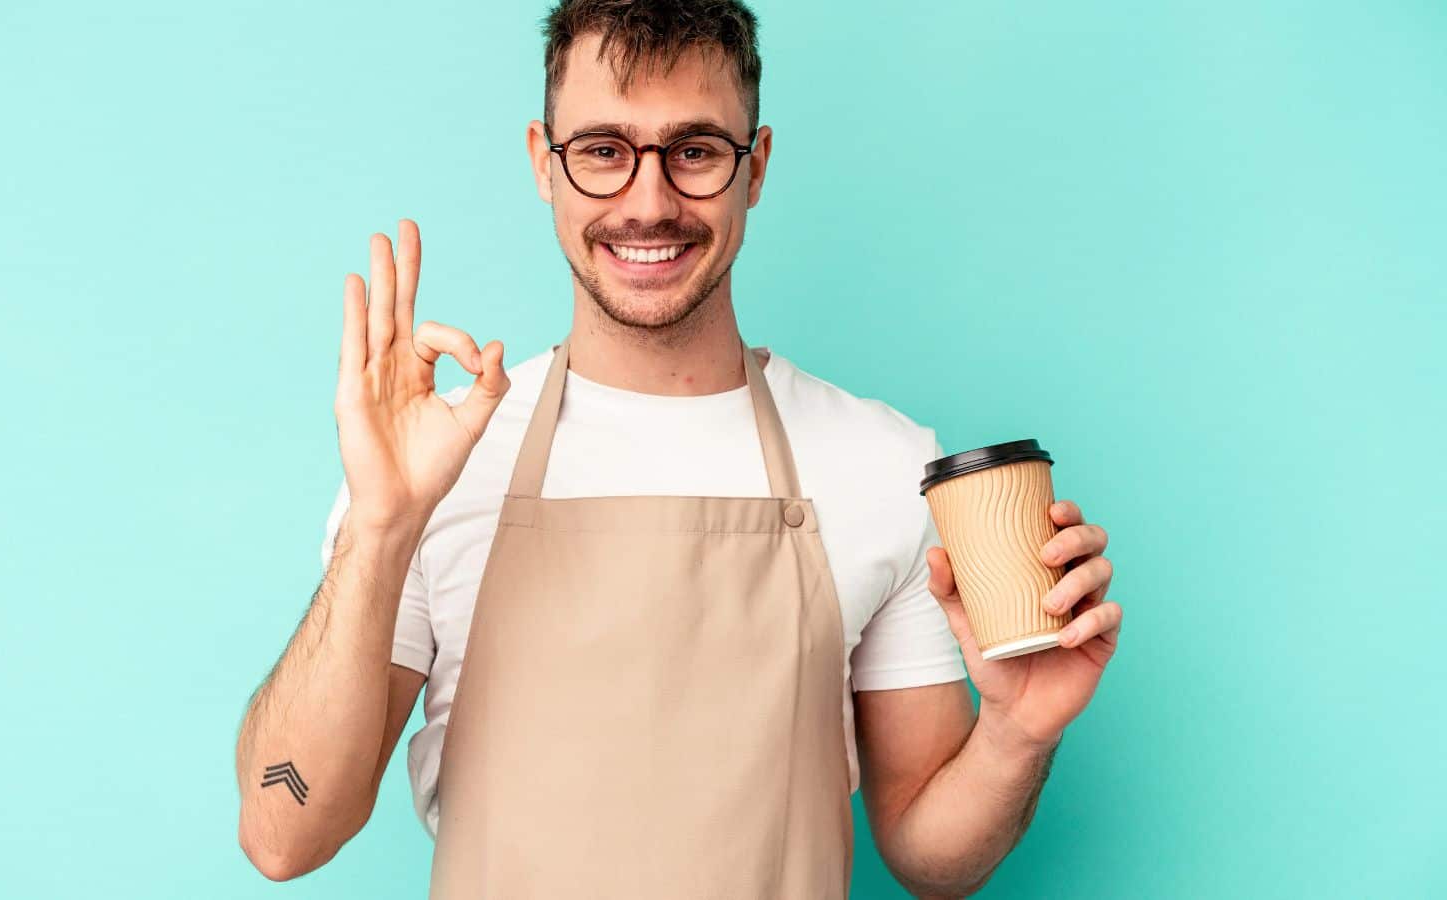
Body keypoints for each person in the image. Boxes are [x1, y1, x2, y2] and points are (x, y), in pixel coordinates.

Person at [235, 1, 1122, 896]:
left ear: (757, 166)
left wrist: (1018, 733)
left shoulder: (880, 462)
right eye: (604, 152)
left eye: (695, 151)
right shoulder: (433, 464)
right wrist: (380, 529)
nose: (649, 204)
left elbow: (931, 860)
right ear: (546, 165)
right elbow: (285, 835)